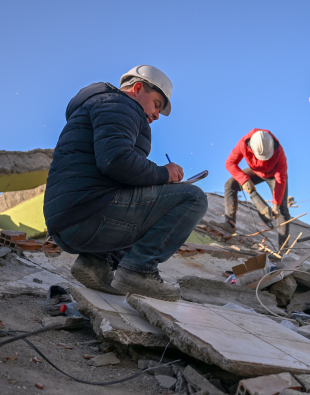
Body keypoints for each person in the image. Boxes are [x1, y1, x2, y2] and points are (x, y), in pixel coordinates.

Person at [43, 65, 208, 301]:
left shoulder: (101, 104)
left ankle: (96, 263)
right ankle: (139, 271)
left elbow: (113, 171)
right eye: (156, 104)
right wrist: (164, 174)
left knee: (147, 193)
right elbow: (116, 161)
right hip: (89, 216)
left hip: (69, 220)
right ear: (138, 88)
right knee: (193, 198)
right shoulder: (120, 105)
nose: (156, 115)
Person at [211, 129, 290, 247]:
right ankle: (230, 224)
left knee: (282, 210)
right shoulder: (243, 143)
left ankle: (283, 248)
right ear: (251, 148)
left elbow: (280, 178)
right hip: (256, 173)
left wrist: (276, 204)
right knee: (230, 185)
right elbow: (230, 163)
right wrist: (244, 180)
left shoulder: (279, 151)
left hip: (274, 176)